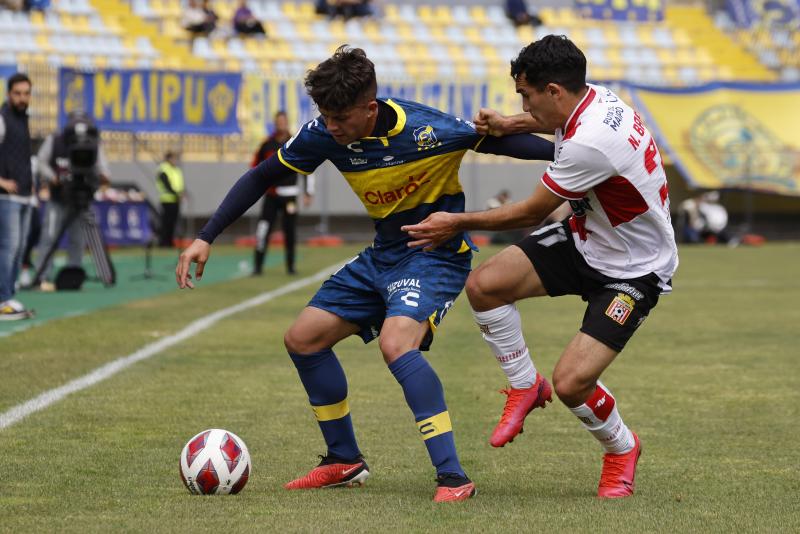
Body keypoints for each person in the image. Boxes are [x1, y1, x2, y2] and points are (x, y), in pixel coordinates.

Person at [176, 45, 554, 502]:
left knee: (397, 343)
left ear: (370, 108)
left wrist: (577, 154)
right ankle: (343, 459)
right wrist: (206, 235)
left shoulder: (427, 129)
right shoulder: (324, 133)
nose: (330, 126)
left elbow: (506, 143)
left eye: (339, 117)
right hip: (382, 255)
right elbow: (262, 176)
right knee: (303, 338)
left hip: (435, 256)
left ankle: (453, 477)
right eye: (324, 115)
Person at [402, 35, 678, 498]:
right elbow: (548, 123)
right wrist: (507, 123)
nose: (523, 104)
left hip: (634, 268)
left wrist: (457, 222)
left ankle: (622, 448)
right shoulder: (593, 99)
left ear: (553, 90)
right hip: (588, 237)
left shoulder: (591, 141)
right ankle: (525, 385)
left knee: (572, 383)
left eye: (525, 95)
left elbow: (529, 213)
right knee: (486, 286)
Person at [35, 112, 112, 289]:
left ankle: (74, 275)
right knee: (49, 236)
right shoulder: (55, 140)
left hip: (82, 197)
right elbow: (41, 162)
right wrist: (53, 177)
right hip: (58, 197)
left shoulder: (93, 144)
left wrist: (100, 176)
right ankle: (42, 276)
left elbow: (105, 170)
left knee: (78, 238)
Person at [251, 111, 313, 275]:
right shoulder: (267, 145)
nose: (281, 124)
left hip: (290, 197)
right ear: (275, 123)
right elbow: (255, 167)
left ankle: (291, 267)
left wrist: (308, 192)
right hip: (271, 196)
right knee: (263, 229)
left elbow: (308, 168)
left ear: (287, 123)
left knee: (290, 232)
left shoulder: (296, 142)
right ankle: (257, 267)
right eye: (278, 121)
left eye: (283, 121)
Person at [0, 73, 35, 320]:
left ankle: (9, 295)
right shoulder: (2, 119)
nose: (22, 98)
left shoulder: (23, 119)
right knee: (8, 248)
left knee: (20, 249)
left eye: (26, 93)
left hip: (24, 195)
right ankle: (2, 299)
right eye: (17, 93)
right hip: (6, 197)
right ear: (8, 94)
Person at [155, 151, 185, 248]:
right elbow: (166, 184)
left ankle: (169, 242)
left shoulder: (176, 170)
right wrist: (176, 194)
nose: (175, 160)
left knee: (173, 222)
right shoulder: (163, 169)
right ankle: (163, 242)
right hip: (167, 199)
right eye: (173, 158)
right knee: (166, 222)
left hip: (176, 200)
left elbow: (179, 184)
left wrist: (181, 193)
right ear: (168, 158)